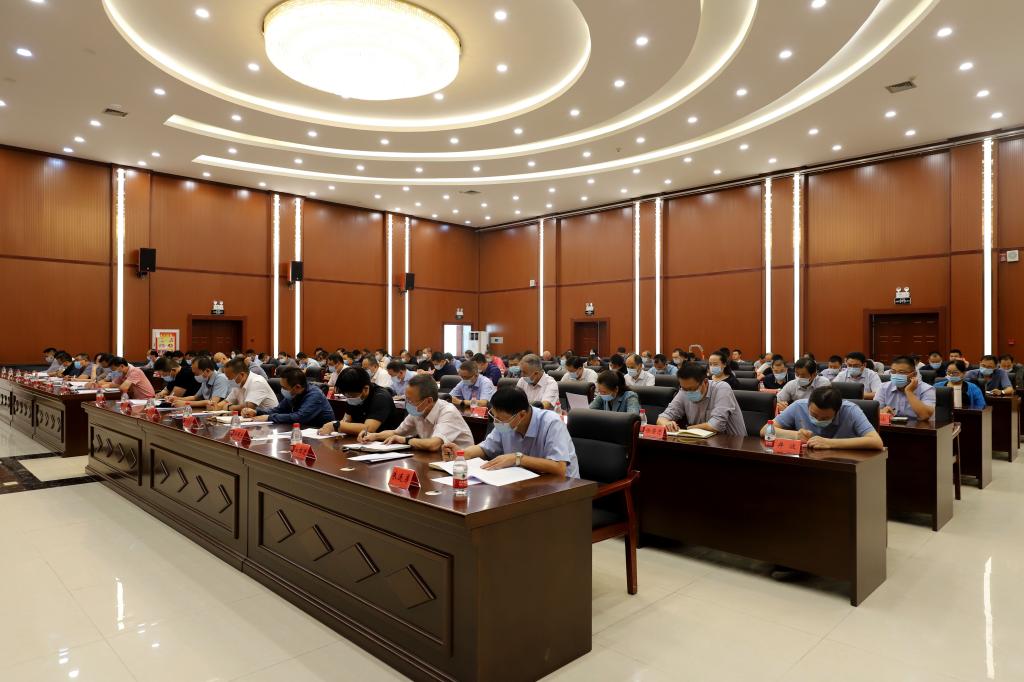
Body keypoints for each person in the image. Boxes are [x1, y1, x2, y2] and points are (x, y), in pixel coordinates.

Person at [443, 387, 579, 478]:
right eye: (494, 416)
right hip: (523, 482)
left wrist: (517, 458)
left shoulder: (551, 422)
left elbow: (559, 468)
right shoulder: (506, 423)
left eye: (500, 419)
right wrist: (461, 454)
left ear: (521, 415)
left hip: (561, 489)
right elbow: (485, 448)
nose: (496, 422)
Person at [359, 374, 473, 451]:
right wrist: (374, 435)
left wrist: (405, 440)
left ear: (428, 401)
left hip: (461, 464)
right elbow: (396, 433)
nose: (408, 404)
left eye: (411, 400)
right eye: (406, 399)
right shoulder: (418, 410)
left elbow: (433, 445)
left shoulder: (448, 412)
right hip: (436, 460)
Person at [763, 385, 884, 450]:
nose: (818, 420)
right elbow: (765, 430)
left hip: (842, 464)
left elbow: (876, 442)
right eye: (814, 415)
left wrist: (829, 443)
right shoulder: (799, 406)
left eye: (825, 418)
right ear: (808, 405)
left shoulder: (851, 410)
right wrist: (795, 435)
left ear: (837, 411)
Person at [657, 362, 746, 436]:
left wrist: (687, 429)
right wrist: (666, 423)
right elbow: (662, 418)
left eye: (692, 389)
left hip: (732, 444)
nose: (688, 392)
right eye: (684, 389)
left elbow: (716, 426)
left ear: (705, 382)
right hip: (702, 443)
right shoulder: (683, 391)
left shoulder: (722, 388)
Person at [241, 368, 335, 428]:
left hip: (320, 434)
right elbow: (278, 410)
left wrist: (269, 417)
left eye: (285, 388)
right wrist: (257, 412)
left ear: (297, 387)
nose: (282, 390)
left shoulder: (315, 395)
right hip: (300, 430)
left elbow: (299, 417)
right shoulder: (293, 394)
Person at [319, 367, 397, 436]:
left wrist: (336, 425)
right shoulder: (352, 396)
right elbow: (346, 421)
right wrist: (331, 427)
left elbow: (368, 429)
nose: (349, 398)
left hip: (382, 442)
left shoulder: (381, 397)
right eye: (346, 395)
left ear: (365, 389)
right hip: (357, 440)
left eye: (351, 395)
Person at [871, 355, 935, 420]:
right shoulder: (883, 387)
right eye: (893, 372)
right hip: (891, 425)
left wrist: (909, 392)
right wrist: (882, 412)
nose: (896, 375)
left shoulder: (927, 389)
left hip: (918, 426)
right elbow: (873, 413)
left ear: (914, 374)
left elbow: (925, 415)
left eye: (901, 372)